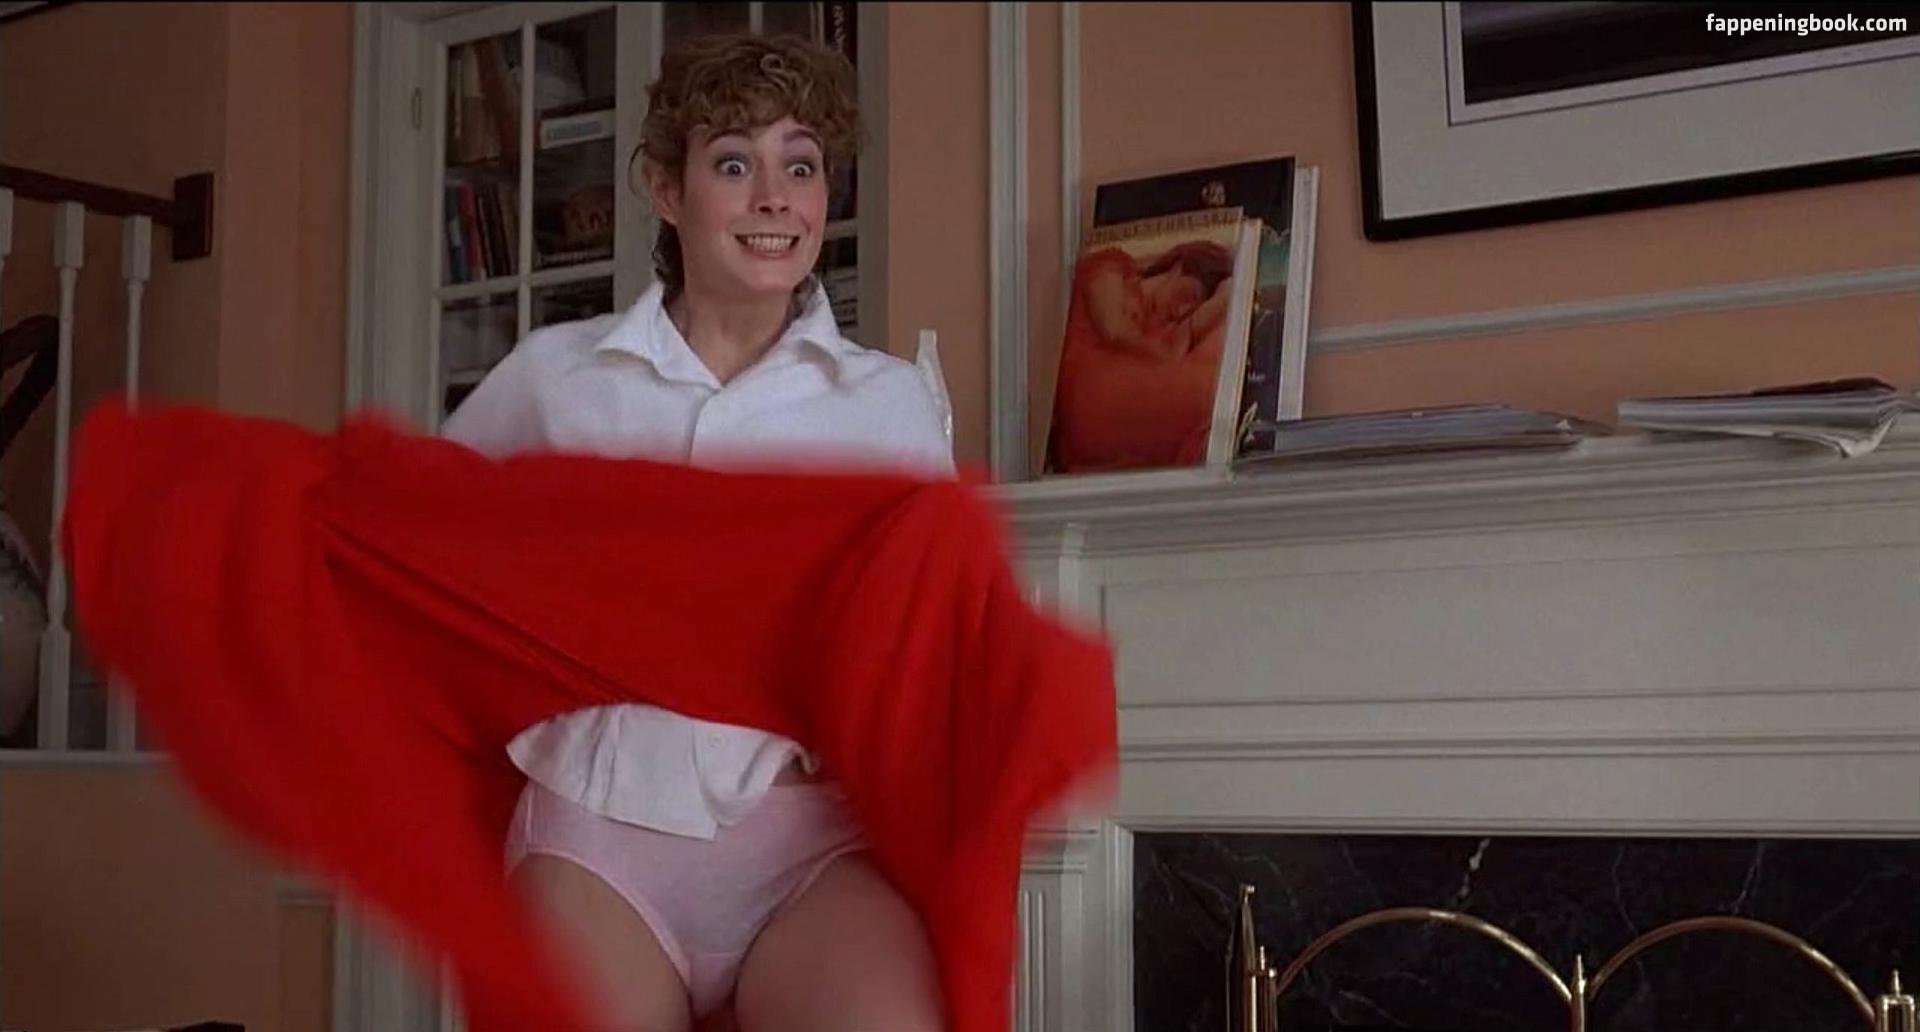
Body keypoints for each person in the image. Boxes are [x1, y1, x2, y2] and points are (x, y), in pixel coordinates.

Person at [440, 32, 952, 1032]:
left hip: (809, 853)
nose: (774, 199)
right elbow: (417, 550)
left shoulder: (890, 406)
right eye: (733, 164)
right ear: (666, 190)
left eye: (800, 166)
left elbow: (926, 642)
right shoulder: (555, 379)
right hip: (598, 844)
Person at [1045, 238, 1236, 473]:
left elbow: (1218, 306)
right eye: (1189, 295)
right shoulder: (1115, 266)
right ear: (1179, 266)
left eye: (1191, 310)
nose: (1182, 311)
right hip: (1078, 404)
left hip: (1100, 439)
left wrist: (1223, 294)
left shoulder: (1165, 332)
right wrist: (1166, 350)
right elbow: (1114, 329)